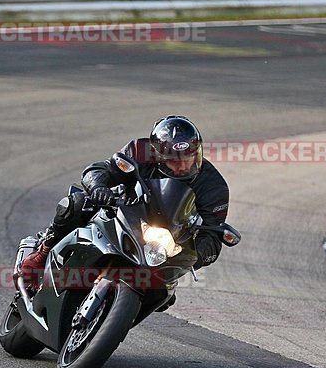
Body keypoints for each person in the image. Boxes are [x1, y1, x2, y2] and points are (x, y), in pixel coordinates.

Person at [16, 115, 229, 292]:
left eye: (188, 158)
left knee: (164, 295)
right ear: (158, 156)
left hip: (164, 245)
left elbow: (213, 235)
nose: (183, 166)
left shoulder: (214, 187)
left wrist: (195, 256)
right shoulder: (140, 152)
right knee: (77, 203)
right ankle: (42, 252)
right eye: (174, 160)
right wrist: (99, 188)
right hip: (123, 213)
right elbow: (99, 170)